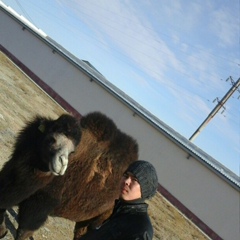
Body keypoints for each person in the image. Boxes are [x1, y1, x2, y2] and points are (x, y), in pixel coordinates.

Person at [79, 160, 159, 240]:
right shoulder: (119, 213)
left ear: (145, 189)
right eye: (126, 175)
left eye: (134, 180)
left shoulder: (140, 229)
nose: (126, 181)